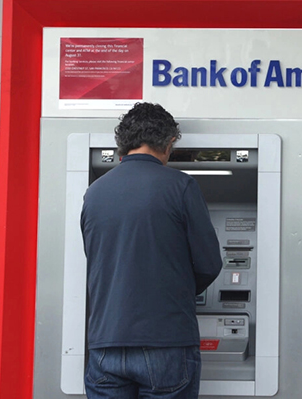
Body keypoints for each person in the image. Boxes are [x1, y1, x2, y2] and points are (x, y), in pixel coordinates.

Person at [80, 102, 223, 398]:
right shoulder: (180, 186)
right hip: (166, 342)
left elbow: (99, 261)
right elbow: (209, 263)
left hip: (105, 343)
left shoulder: (95, 192)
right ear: (169, 143)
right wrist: (175, 287)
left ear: (124, 143)